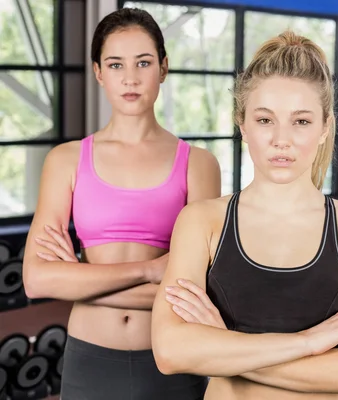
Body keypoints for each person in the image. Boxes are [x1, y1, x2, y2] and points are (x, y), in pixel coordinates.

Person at [149, 31, 338, 400]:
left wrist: (224, 346)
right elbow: (170, 351)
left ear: (326, 127)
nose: (282, 139)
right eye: (265, 120)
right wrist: (311, 342)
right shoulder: (201, 222)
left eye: (301, 121)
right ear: (242, 124)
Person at [22, 8, 220, 400]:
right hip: (88, 360)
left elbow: (200, 290)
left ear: (163, 68)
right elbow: (37, 279)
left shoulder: (199, 164)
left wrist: (78, 281)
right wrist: (152, 271)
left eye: (143, 63)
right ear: (98, 71)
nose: (130, 78)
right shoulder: (65, 160)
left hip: (172, 356)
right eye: (115, 64)